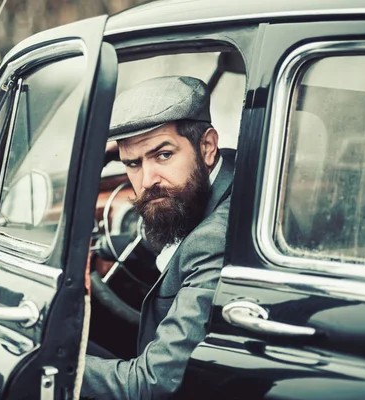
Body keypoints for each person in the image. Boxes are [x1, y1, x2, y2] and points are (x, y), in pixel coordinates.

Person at [81, 75, 235, 399]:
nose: (148, 180)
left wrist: (47, 365)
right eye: (133, 164)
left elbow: (152, 384)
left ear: (207, 146)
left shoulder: (213, 240)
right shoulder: (224, 173)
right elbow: (163, 235)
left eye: (163, 155)